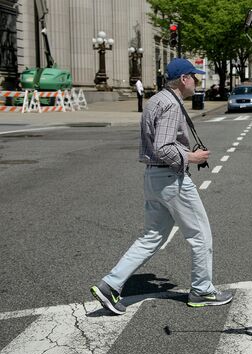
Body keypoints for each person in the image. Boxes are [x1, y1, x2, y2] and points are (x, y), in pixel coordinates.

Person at [90, 58, 233, 315]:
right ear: (184, 79)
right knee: (200, 235)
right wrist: (192, 157)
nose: (197, 82)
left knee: (152, 237)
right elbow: (164, 147)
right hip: (171, 178)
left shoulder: (156, 100)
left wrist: (186, 152)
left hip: (154, 177)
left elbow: (160, 144)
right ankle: (202, 290)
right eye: (195, 77)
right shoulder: (170, 104)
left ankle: (110, 284)